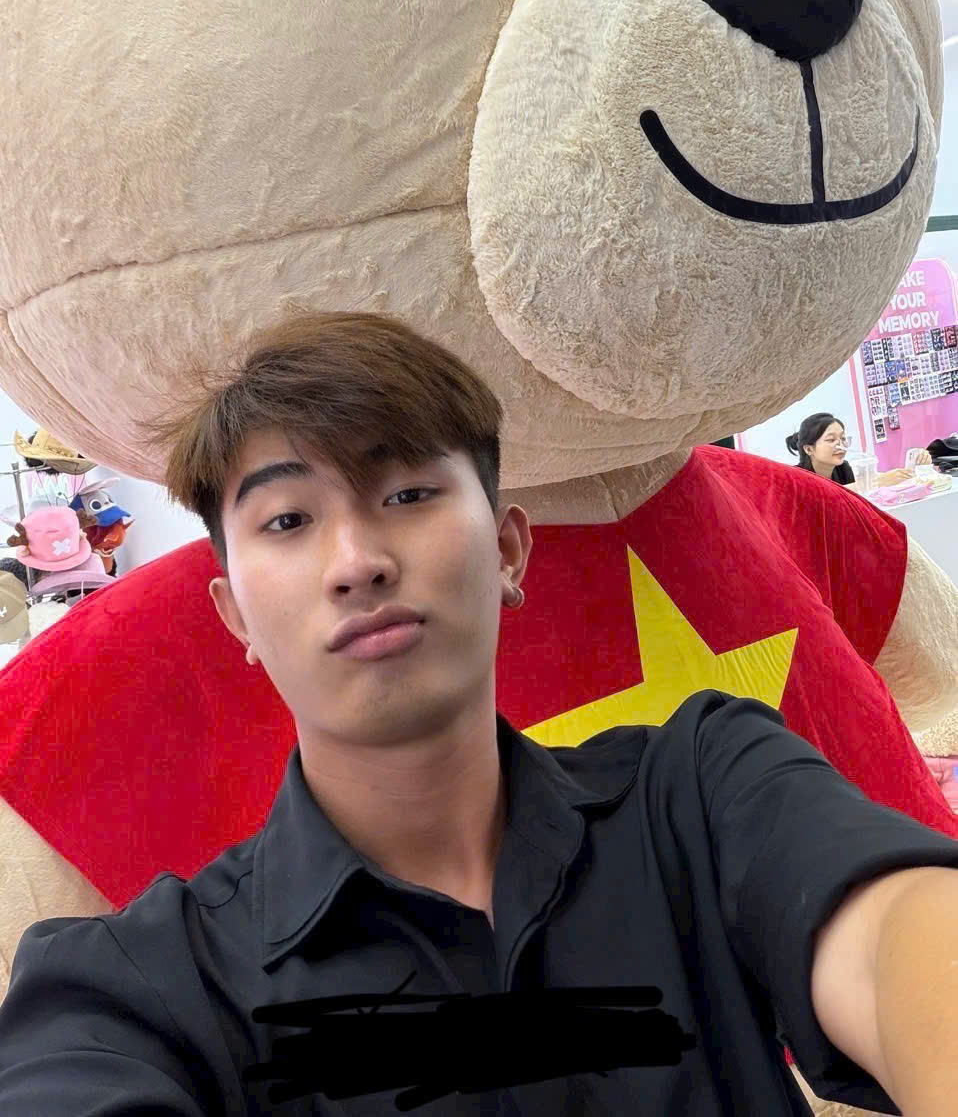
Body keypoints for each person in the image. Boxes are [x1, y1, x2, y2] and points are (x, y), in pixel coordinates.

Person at [1, 312, 957, 1117]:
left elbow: (897, 939)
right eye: (288, 519)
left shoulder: (705, 794)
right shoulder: (144, 984)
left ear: (507, 551)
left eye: (408, 493)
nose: (357, 561)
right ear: (235, 615)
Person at [785, 413, 930, 489]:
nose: (841, 445)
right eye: (831, 440)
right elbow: (826, 496)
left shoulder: (843, 468)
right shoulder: (797, 479)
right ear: (809, 449)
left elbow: (870, 482)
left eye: (843, 438)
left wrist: (916, 462)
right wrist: (877, 482)